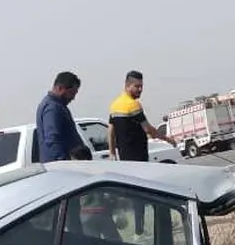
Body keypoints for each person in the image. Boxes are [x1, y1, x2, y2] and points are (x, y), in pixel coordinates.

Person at [107, 70, 175, 233]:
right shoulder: (133, 105)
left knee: (132, 193)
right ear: (127, 85)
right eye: (137, 86)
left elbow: (111, 130)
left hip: (125, 157)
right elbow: (149, 129)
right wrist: (168, 139)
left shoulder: (115, 105)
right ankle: (141, 228)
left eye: (141, 86)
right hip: (138, 156)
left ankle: (136, 228)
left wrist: (112, 152)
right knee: (143, 194)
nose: (140, 90)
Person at [36, 71, 91, 162]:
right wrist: (62, 161)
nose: (73, 98)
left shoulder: (56, 106)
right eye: (71, 93)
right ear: (60, 88)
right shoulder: (52, 108)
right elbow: (52, 138)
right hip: (60, 167)